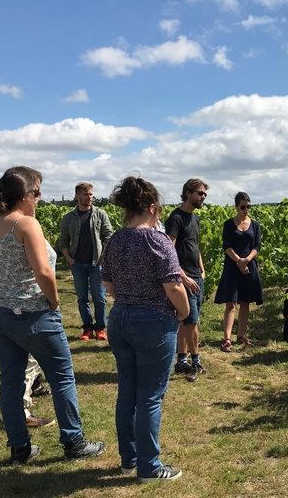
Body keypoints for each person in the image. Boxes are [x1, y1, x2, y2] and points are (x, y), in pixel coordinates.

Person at [0, 166, 105, 464]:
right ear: (24, 196)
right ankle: (73, 442)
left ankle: (19, 448)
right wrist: (55, 300)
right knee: (62, 377)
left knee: (10, 382)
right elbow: (44, 271)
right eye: (36, 193)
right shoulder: (25, 224)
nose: (39, 198)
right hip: (31, 313)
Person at [100, 176, 190, 482]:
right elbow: (173, 285)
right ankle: (150, 467)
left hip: (120, 318)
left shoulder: (115, 240)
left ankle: (129, 459)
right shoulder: (157, 241)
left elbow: (108, 285)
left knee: (127, 392)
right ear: (152, 208)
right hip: (153, 322)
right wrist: (185, 310)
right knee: (150, 396)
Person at [0, 250, 52, 426]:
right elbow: (43, 271)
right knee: (28, 361)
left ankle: (16, 409)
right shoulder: (24, 234)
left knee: (13, 367)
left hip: (1, 307)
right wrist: (53, 301)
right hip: (26, 308)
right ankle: (22, 411)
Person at [57, 182, 114, 341]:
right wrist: (69, 259)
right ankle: (87, 328)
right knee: (82, 298)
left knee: (99, 297)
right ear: (77, 196)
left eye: (91, 194)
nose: (89, 197)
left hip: (97, 263)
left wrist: (103, 257)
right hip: (78, 264)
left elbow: (108, 237)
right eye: (86, 194)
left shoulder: (100, 214)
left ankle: (101, 328)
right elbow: (62, 241)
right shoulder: (68, 217)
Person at [165, 178, 209, 382]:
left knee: (186, 320)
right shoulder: (176, 218)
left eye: (204, 194)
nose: (203, 197)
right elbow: (168, 251)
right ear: (188, 193)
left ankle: (181, 360)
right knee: (192, 321)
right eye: (200, 193)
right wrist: (183, 276)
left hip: (196, 276)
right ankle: (196, 362)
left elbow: (194, 246)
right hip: (184, 278)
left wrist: (201, 269)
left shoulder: (195, 219)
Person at [214, 192, 263, 353]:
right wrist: (239, 261)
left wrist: (246, 260)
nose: (246, 209)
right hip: (232, 265)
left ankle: (241, 335)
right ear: (236, 207)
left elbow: (256, 246)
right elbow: (226, 246)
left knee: (246, 302)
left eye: (248, 206)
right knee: (231, 302)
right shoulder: (229, 224)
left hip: (249, 265)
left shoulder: (255, 225)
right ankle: (227, 339)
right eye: (243, 207)